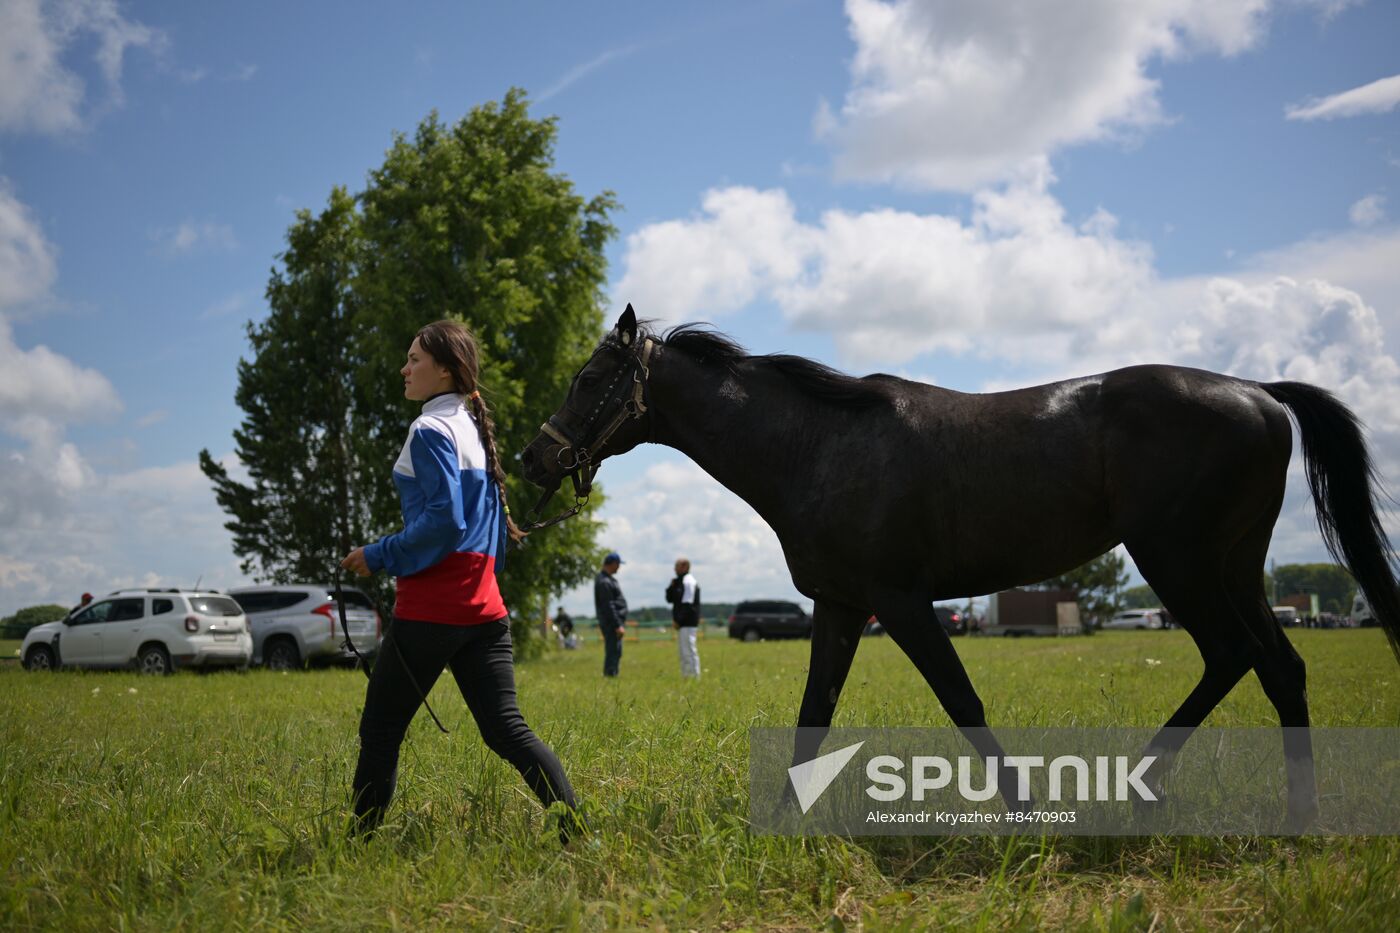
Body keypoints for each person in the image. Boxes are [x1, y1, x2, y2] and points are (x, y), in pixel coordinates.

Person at [340, 320, 577, 840]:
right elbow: (487, 534)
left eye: (414, 360)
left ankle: (356, 846)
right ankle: (578, 833)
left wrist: (377, 555)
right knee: (508, 731)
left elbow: (446, 522)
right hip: (486, 611)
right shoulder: (473, 429)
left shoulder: (429, 430)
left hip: (430, 611)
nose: (404, 369)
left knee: (380, 731)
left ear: (445, 370)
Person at [666, 558, 701, 678]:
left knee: (689, 649)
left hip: (688, 623)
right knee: (683, 651)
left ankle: (694, 676)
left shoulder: (689, 581)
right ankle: (686, 675)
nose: (674, 569)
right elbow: (669, 599)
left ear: (685, 566)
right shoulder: (679, 582)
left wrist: (678, 620)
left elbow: (688, 604)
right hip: (682, 623)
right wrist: (671, 587)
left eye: (677, 566)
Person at [594, 553, 627, 676]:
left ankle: (612, 675)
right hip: (611, 623)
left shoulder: (607, 579)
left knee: (615, 651)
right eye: (618, 564)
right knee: (613, 651)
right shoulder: (604, 582)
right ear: (613, 564)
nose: (619, 567)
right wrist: (617, 625)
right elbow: (608, 606)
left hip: (613, 622)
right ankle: (610, 676)